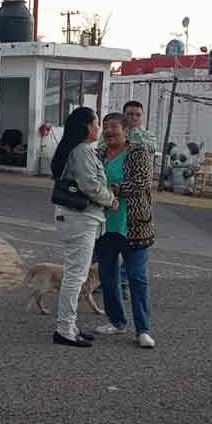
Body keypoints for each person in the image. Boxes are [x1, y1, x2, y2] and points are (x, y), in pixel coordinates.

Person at [49, 107, 117, 348]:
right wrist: (111, 199)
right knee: (76, 276)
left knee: (74, 274)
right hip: (80, 218)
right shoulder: (82, 151)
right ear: (88, 127)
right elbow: (90, 185)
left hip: (75, 218)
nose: (99, 128)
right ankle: (65, 329)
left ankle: (69, 325)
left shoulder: (77, 150)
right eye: (97, 123)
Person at [94, 112, 157, 349]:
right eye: (105, 127)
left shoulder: (138, 153)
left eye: (114, 127)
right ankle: (117, 321)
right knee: (108, 277)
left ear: (125, 131)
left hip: (134, 226)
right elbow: (89, 181)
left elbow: (140, 183)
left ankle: (143, 329)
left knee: (137, 278)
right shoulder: (98, 154)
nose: (109, 132)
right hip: (104, 225)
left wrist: (108, 189)